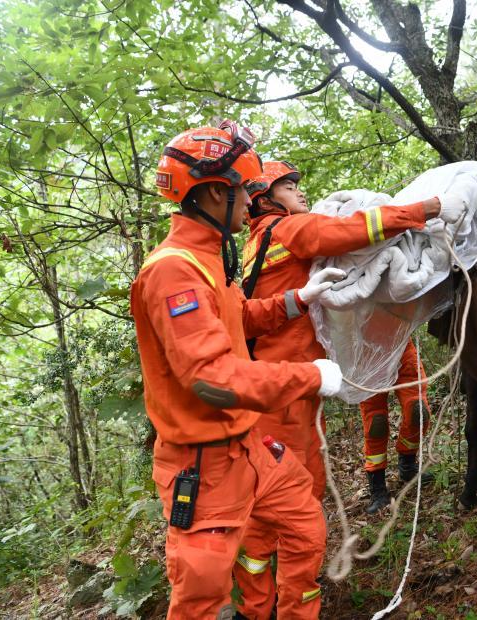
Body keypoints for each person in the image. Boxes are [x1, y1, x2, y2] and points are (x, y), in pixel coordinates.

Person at [131, 122, 347, 619]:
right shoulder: (172, 270)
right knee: (201, 596)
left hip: (249, 447)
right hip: (202, 465)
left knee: (305, 525)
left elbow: (236, 318)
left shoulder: (208, 257)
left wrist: (297, 300)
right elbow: (213, 379)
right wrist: (311, 376)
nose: (251, 203)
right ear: (211, 193)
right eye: (242, 192)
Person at [234, 160, 465, 617]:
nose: (300, 193)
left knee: (270, 499)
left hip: (278, 386)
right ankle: (287, 603)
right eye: (290, 186)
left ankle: (256, 604)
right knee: (296, 499)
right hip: (283, 391)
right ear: (263, 197)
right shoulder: (286, 231)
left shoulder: (255, 241)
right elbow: (351, 231)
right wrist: (426, 208)